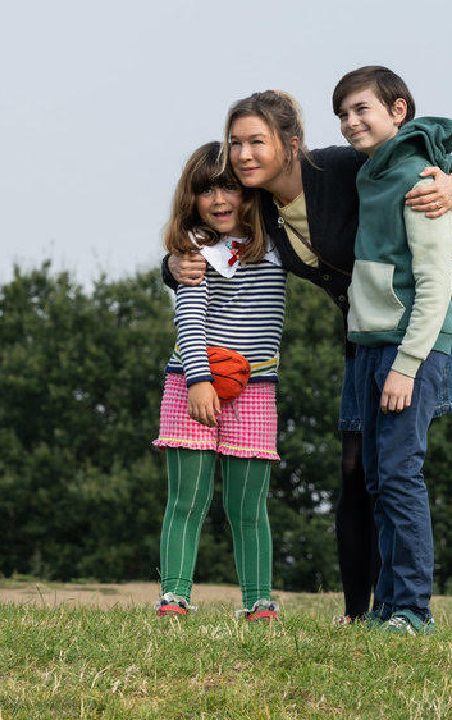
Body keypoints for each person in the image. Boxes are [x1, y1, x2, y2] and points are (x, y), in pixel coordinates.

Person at [164, 89, 452, 624]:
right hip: (364, 330)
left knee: (395, 466)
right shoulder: (258, 207)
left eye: (257, 142)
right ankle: (357, 612)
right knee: (355, 470)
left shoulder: (337, 167)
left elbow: (426, 155)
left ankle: (407, 608)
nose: (244, 155)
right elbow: (209, 246)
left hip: (417, 320)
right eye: (236, 144)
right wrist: (171, 267)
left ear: (290, 144)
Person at [335, 65, 452, 634]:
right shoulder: (370, 174)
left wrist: (407, 366)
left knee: (401, 475)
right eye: (343, 113)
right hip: (369, 343)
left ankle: (413, 610)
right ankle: (386, 608)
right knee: (377, 479)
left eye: (362, 109)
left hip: (408, 347)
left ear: (398, 111)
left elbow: (434, 287)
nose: (350, 121)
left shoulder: (418, 177)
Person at [152, 141, 287, 622]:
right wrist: (198, 380)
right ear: (192, 199)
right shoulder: (194, 249)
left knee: (248, 507)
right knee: (187, 500)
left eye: (228, 185)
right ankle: (174, 598)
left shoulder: (279, 239)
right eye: (205, 190)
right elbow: (189, 319)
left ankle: (258, 603)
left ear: (249, 190)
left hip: (256, 389)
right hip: (193, 383)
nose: (218, 199)